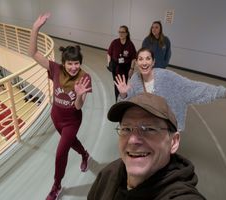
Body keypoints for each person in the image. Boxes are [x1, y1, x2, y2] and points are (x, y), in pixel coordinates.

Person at [88, 93, 206, 200]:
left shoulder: (182, 196)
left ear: (173, 142)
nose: (133, 140)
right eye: (126, 129)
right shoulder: (108, 173)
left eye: (149, 129)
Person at [29, 13, 92, 200]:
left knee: (60, 153)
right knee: (71, 143)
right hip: (55, 117)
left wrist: (80, 95)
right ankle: (85, 154)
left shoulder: (84, 77)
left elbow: (79, 107)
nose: (74, 67)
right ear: (63, 63)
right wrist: (35, 28)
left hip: (72, 121)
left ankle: (56, 186)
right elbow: (33, 53)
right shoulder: (55, 69)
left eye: (77, 63)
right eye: (70, 63)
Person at [115, 47, 226, 132]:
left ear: (153, 62)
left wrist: (225, 92)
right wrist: (123, 94)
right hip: (145, 128)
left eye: (148, 59)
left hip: (165, 128)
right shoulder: (134, 80)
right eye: (140, 59)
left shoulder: (166, 77)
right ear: (137, 62)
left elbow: (193, 87)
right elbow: (125, 108)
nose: (144, 62)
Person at [107, 25, 137, 100]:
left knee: (123, 85)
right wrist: (109, 63)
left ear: (126, 33)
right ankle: (117, 100)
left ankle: (123, 98)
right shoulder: (114, 42)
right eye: (119, 32)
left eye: (123, 32)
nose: (121, 34)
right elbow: (109, 53)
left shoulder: (130, 44)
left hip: (125, 68)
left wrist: (132, 69)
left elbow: (134, 58)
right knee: (116, 85)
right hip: (116, 67)